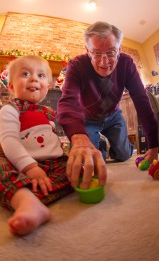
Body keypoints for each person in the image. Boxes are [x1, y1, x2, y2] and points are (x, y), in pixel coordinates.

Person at [57, 21, 158, 189]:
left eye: (111, 52)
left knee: (124, 154)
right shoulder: (77, 65)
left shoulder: (127, 64)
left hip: (114, 115)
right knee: (94, 159)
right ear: (87, 51)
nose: (104, 62)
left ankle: (110, 145)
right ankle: (99, 143)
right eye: (96, 53)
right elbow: (68, 100)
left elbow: (142, 100)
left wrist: (154, 145)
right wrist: (78, 137)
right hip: (87, 119)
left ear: (119, 49)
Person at [0, 55, 74, 236]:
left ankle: (30, 192)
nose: (34, 79)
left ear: (47, 88)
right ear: (11, 86)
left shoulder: (49, 113)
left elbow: (53, 141)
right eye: (25, 74)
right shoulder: (10, 110)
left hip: (52, 164)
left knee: (76, 166)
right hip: (19, 166)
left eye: (41, 76)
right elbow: (9, 141)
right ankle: (25, 201)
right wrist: (30, 167)